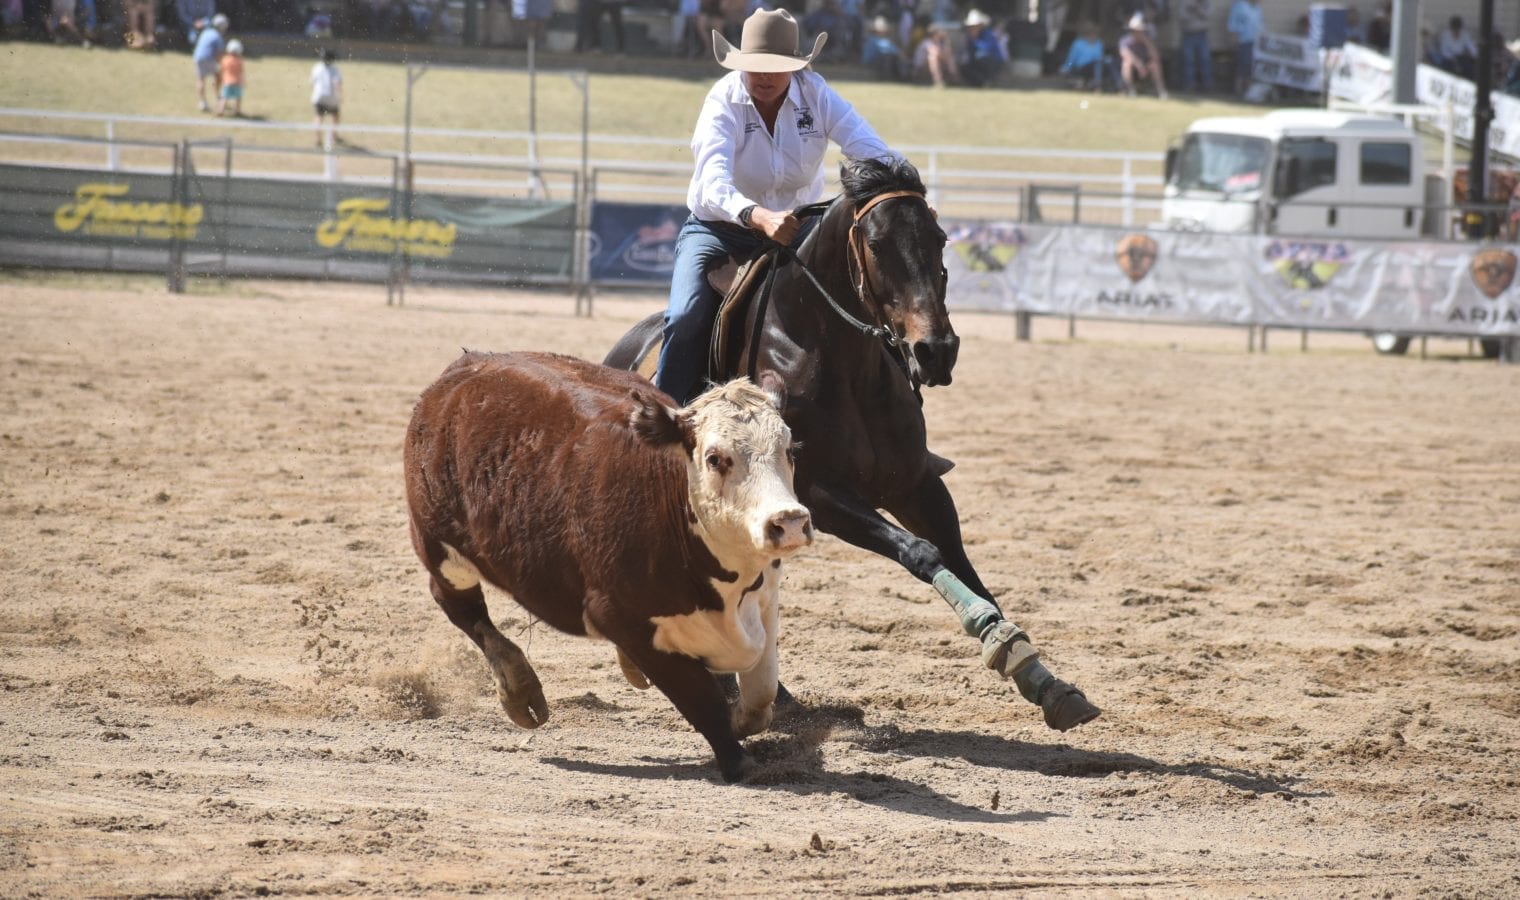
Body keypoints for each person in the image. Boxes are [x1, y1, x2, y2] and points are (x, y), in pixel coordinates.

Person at [653, 8, 900, 406]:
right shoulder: (723, 100)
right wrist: (757, 216)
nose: (764, 76)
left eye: (776, 67)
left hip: (799, 231)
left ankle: (897, 422)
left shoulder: (816, 94)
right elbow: (712, 180)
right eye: (755, 67)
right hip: (719, 231)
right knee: (686, 315)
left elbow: (869, 149)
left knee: (874, 299)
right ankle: (666, 417)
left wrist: (909, 192)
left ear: (795, 68)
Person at [1119, 12, 1168, 98]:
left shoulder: (1147, 40)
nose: (1138, 33)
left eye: (1140, 31)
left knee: (1155, 65)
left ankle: (1161, 91)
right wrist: (1139, 66)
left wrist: (1146, 42)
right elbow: (1125, 54)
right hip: (1134, 67)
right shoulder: (1125, 41)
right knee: (1126, 64)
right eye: (1136, 31)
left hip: (1146, 66)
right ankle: (1130, 89)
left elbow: (1156, 56)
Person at [960, 9, 1007, 88]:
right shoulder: (970, 38)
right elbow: (969, 53)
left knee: (982, 58)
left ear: (980, 26)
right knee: (965, 66)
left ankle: (988, 81)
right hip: (978, 61)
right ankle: (983, 83)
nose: (972, 28)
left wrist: (974, 41)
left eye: (974, 26)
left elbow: (987, 49)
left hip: (994, 61)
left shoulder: (988, 34)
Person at [192, 12, 229, 112]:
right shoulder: (218, 37)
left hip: (198, 58)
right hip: (209, 59)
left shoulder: (206, 31)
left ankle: (203, 102)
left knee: (200, 79)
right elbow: (219, 55)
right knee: (217, 75)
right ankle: (218, 97)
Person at [1059, 22, 1112, 90]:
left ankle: (1119, 86)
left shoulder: (1099, 43)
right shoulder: (1078, 43)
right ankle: (1097, 85)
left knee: (1108, 61)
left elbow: (1100, 57)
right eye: (1092, 33)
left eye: (1095, 33)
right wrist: (1067, 67)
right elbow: (1071, 59)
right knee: (1097, 63)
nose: (1094, 35)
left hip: (1096, 67)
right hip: (1082, 68)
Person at [1227, 0, 1262, 96]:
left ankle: (1248, 90)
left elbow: (1260, 23)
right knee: (1242, 65)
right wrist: (1233, 38)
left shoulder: (1257, 8)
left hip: (1255, 41)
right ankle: (1238, 90)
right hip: (1243, 40)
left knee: (1251, 66)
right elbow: (1233, 22)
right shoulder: (1239, 5)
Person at [310, 48, 343, 147]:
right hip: (331, 98)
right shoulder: (335, 70)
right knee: (335, 116)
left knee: (318, 117)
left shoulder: (316, 68)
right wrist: (340, 96)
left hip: (319, 97)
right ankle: (334, 135)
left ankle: (317, 139)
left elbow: (312, 82)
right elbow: (338, 84)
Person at [1178, 0, 1212, 93]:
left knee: (1205, 59)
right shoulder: (1185, 2)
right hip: (1188, 33)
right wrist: (1191, 11)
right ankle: (1189, 85)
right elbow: (1182, 17)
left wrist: (1197, 9)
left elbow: (1207, 15)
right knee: (1189, 60)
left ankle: (1207, 86)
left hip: (1202, 34)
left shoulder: (1206, 2)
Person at [912, 21, 961, 87]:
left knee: (950, 58)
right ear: (935, 34)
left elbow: (947, 53)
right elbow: (936, 53)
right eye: (939, 32)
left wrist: (947, 40)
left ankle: (955, 79)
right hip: (920, 69)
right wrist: (945, 55)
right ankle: (938, 81)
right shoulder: (926, 42)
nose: (941, 34)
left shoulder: (938, 43)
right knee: (933, 57)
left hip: (932, 67)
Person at [861, 14, 903, 80]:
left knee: (892, 57)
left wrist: (899, 53)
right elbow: (883, 49)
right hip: (872, 61)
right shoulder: (873, 40)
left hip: (879, 61)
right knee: (887, 56)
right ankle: (887, 77)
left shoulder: (884, 40)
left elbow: (894, 50)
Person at [218, 38, 244, 116]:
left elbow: (221, 69)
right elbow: (241, 72)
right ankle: (238, 111)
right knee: (238, 97)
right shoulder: (239, 61)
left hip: (227, 82)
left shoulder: (225, 60)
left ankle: (221, 110)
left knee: (224, 97)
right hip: (237, 82)